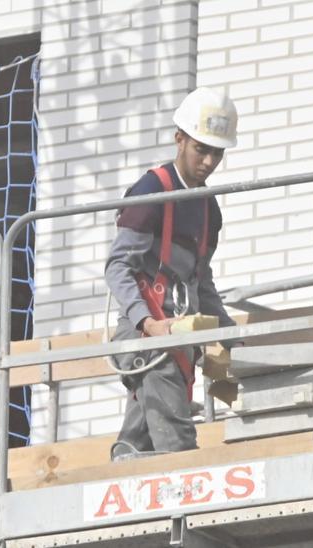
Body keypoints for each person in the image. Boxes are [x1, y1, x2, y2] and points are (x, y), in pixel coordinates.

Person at [105, 87, 240, 461]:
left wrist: (225, 331)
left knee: (142, 436)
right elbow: (118, 267)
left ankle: (126, 462)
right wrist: (147, 322)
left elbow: (202, 280)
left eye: (218, 152)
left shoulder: (207, 208)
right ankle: (188, 504)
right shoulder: (151, 192)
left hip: (179, 334)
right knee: (176, 439)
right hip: (147, 334)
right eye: (202, 149)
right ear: (179, 139)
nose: (210, 161)